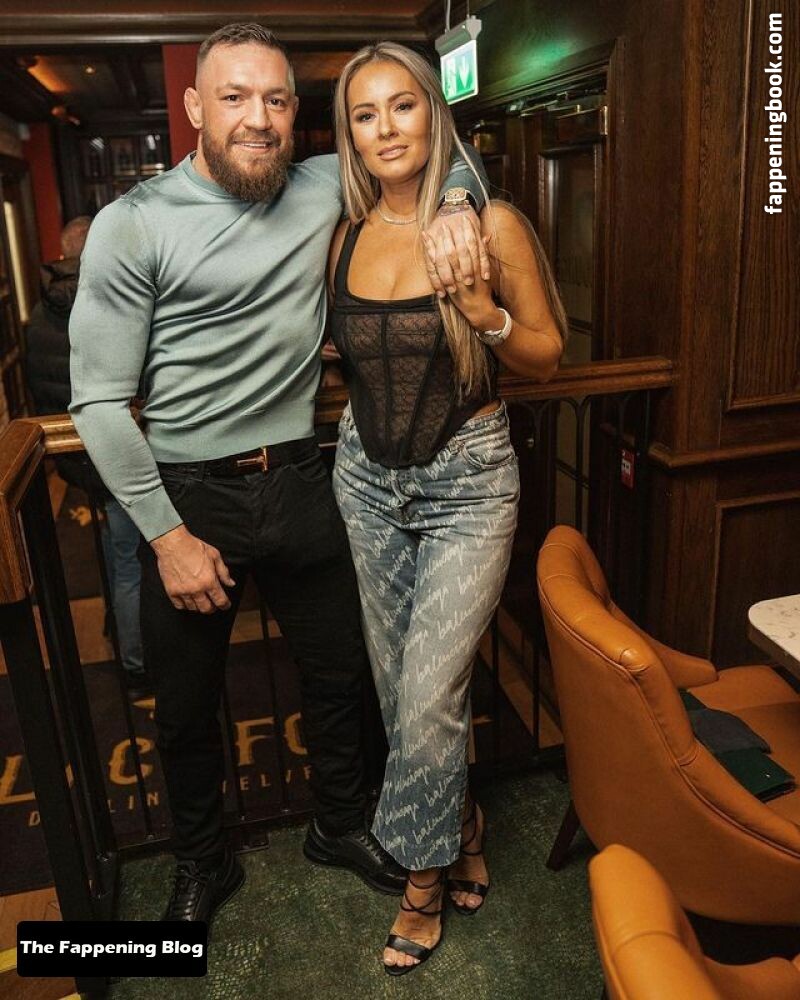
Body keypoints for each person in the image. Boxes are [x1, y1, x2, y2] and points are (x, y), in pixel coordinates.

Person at [69, 22, 491, 927]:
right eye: (233, 97)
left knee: (339, 677)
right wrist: (167, 538)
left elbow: (442, 152)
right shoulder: (132, 223)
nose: (256, 118)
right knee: (186, 708)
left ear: (296, 114)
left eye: (274, 100)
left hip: (304, 478)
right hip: (188, 498)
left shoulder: (320, 185)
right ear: (195, 107)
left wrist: (459, 201)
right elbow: (96, 403)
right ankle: (201, 863)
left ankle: (338, 825)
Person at [329, 42, 566, 974]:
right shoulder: (346, 234)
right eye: (365, 114)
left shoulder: (487, 224)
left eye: (403, 106)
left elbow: (546, 352)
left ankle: (420, 883)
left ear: (434, 113)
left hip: (467, 479)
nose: (387, 128)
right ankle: (461, 823)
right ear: (350, 135)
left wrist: (481, 312)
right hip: (365, 478)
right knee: (403, 693)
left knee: (429, 693)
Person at [25, 216, 148, 696]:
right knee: (133, 559)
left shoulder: (39, 313)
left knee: (117, 548)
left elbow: (40, 385)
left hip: (77, 455)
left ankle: (119, 625)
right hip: (122, 446)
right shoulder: (114, 298)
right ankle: (137, 665)